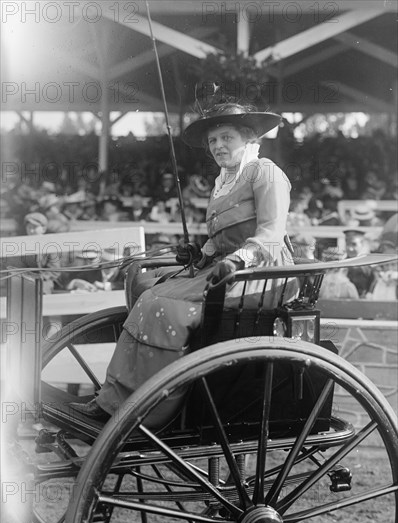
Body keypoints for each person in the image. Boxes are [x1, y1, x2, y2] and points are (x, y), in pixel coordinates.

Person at [70, 102, 297, 420]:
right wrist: (201, 252)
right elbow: (221, 240)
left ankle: (152, 409)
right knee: (147, 292)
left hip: (259, 276)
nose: (218, 146)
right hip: (223, 271)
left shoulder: (266, 173)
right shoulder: (222, 183)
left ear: (247, 137)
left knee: (167, 307)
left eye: (226, 138)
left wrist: (237, 260)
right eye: (213, 141)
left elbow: (270, 235)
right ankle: (115, 398)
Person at [343, 228, 377, 298]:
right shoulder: (339, 265)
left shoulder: (369, 265)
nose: (350, 248)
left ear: (362, 244)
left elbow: (373, 288)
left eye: (354, 244)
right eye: (347, 244)